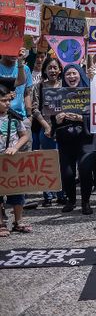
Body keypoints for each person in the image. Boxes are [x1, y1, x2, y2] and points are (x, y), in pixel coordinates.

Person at [53, 64, 96, 215]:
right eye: (68, 74)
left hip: (86, 138)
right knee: (67, 173)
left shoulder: (91, 93)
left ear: (80, 75)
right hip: (65, 139)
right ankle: (71, 200)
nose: (71, 77)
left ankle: (86, 202)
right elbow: (51, 116)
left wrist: (81, 118)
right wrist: (56, 120)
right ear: (64, 78)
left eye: (74, 73)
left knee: (85, 169)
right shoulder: (57, 95)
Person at [30, 57, 63, 206]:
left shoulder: (65, 85)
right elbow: (34, 108)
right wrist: (46, 126)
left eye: (55, 68)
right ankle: (48, 195)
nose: (52, 71)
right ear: (44, 70)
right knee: (47, 162)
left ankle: (62, 194)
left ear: (60, 70)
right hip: (46, 129)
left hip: (63, 129)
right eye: (49, 68)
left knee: (63, 162)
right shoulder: (39, 87)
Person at [0, 84, 32, 236]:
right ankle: (1, 223)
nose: (7, 103)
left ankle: (18, 221)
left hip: (13, 160)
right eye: (3, 100)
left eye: (8, 100)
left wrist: (16, 148)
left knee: (18, 192)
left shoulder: (14, 117)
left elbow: (24, 135)